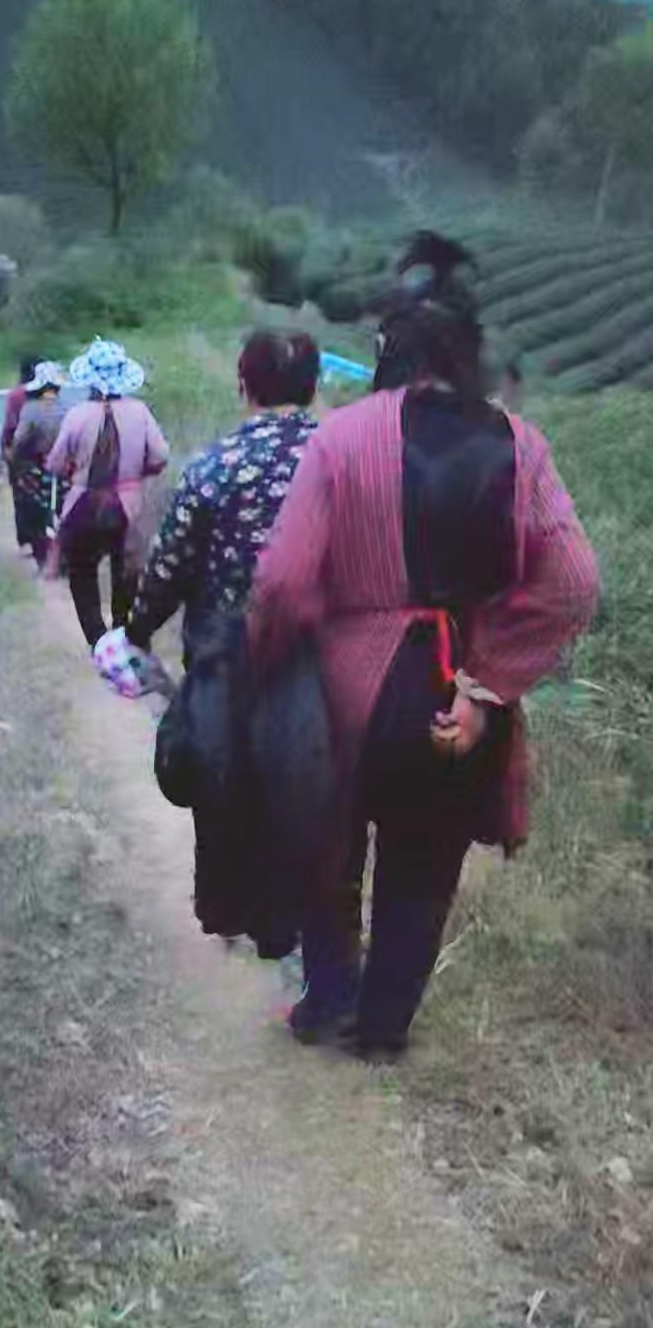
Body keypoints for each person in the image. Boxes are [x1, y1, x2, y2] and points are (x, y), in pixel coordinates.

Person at [249, 232, 599, 1060]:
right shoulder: (520, 444)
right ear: (468, 350)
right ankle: (382, 1031)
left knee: (330, 849)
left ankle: (328, 998)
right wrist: (487, 683)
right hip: (457, 698)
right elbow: (575, 580)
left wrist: (273, 658)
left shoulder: (341, 438)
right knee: (423, 865)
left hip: (345, 697)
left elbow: (281, 582)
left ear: (390, 347)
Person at [123, 331, 320, 663]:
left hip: (222, 654)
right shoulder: (345, 462)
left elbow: (170, 564)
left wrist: (139, 630)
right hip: (315, 653)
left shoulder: (215, 466)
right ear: (312, 388)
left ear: (243, 385)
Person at [47, 338, 169, 651]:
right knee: (126, 570)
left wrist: (77, 474)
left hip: (84, 504)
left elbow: (56, 463)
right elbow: (159, 456)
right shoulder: (140, 412)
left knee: (81, 571)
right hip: (128, 505)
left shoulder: (77, 415)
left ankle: (98, 640)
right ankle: (123, 630)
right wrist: (136, 475)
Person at [7, 360, 67, 568]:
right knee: (63, 510)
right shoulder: (66, 409)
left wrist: (13, 458)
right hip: (63, 470)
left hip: (36, 470)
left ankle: (43, 558)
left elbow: (19, 440)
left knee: (35, 512)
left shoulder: (30, 410)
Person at [1, 354, 41, 550]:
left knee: (20, 496)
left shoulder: (15, 395)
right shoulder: (46, 393)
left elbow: (10, 425)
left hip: (21, 453)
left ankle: (25, 538)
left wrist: (6, 449)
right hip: (42, 452)